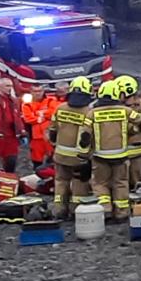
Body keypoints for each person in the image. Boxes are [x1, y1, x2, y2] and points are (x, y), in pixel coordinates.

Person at [87, 79, 135, 222]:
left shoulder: (92, 113)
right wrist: (133, 130)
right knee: (120, 183)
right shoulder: (125, 110)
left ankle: (105, 210)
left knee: (100, 183)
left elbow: (85, 135)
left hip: (100, 156)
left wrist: (83, 153)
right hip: (121, 155)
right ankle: (122, 213)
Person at [49, 76, 97, 219]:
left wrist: (55, 145)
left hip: (60, 155)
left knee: (60, 182)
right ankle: (76, 210)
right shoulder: (89, 112)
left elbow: (52, 131)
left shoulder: (60, 108)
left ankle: (59, 210)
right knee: (79, 184)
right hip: (79, 158)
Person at [0, 78, 26, 173]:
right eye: (7, 86)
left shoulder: (14, 101)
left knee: (12, 162)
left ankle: (8, 181)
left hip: (11, 137)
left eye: (11, 86)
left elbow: (18, 118)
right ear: (0, 87)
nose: (10, 88)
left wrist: (22, 132)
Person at [24, 84, 64, 169]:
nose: (38, 93)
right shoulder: (27, 104)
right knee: (37, 161)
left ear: (43, 91)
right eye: (35, 91)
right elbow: (28, 119)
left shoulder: (50, 100)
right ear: (31, 92)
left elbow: (54, 113)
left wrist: (38, 114)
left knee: (53, 159)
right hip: (36, 138)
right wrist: (42, 116)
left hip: (50, 136)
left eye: (40, 91)